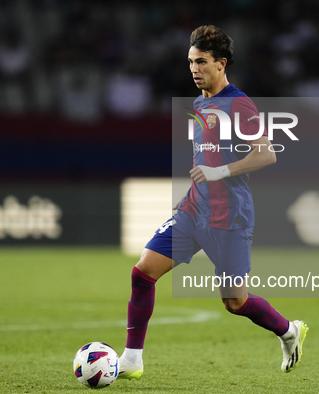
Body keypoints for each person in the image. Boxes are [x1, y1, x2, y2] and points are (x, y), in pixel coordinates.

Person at [118, 25, 308, 379]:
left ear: (221, 64)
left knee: (235, 302)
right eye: (190, 61)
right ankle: (131, 360)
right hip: (193, 212)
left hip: (229, 217)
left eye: (202, 62)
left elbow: (266, 155)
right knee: (142, 273)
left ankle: (289, 331)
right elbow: (204, 155)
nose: (194, 69)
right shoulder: (200, 102)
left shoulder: (238, 103)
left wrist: (220, 173)